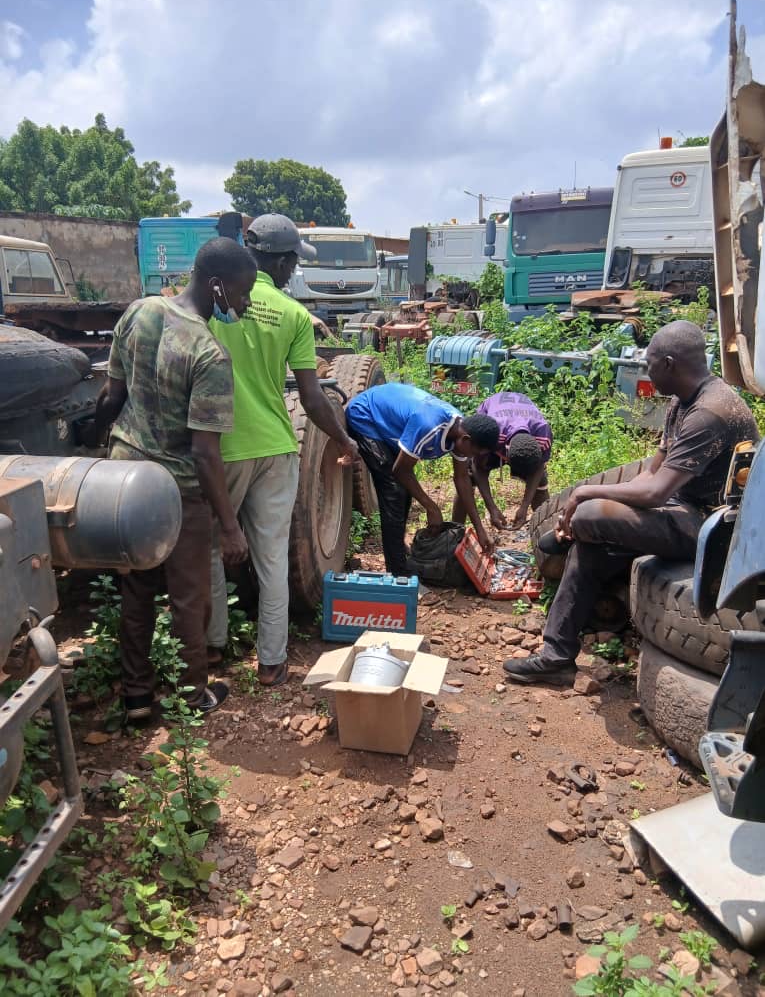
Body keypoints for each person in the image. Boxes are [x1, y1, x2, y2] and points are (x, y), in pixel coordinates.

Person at [504, 320, 759, 686]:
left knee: (590, 514)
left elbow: (655, 493)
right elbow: (649, 476)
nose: (647, 369)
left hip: (711, 527)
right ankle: (556, 657)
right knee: (591, 537)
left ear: (669, 363)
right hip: (680, 510)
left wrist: (585, 495)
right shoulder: (683, 402)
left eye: (650, 363)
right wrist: (602, 510)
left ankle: (565, 541)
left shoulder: (710, 413)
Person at [90, 238, 257, 719]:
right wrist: (230, 527)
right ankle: (190, 697)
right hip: (178, 489)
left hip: (125, 482)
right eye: (242, 293)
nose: (243, 303)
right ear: (217, 284)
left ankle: (137, 696)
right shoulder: (209, 354)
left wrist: (100, 441)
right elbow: (205, 453)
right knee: (189, 597)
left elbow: (110, 397)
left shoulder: (138, 313)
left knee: (137, 591)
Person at [207, 213, 357, 687]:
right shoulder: (293, 314)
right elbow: (311, 398)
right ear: (283, 259)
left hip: (222, 447)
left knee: (212, 548)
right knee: (271, 556)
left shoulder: (214, 304)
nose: (295, 268)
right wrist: (342, 437)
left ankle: (213, 647)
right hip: (275, 445)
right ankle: (272, 660)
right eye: (294, 259)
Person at [345, 382, 500, 575]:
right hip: (367, 415)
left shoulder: (462, 433)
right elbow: (400, 471)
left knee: (404, 492)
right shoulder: (430, 427)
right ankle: (398, 574)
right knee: (393, 491)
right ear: (466, 440)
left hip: (393, 423)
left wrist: (480, 529)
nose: (473, 458)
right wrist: (431, 507)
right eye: (475, 453)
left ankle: (398, 553)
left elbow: (462, 479)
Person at [452, 391, 552, 531]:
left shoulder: (544, 435)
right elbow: (478, 468)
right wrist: (491, 508)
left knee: (540, 482)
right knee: (468, 477)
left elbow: (539, 467)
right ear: (505, 454)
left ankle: (545, 534)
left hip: (519, 424)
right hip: (496, 421)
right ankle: (456, 532)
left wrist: (524, 507)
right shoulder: (494, 434)